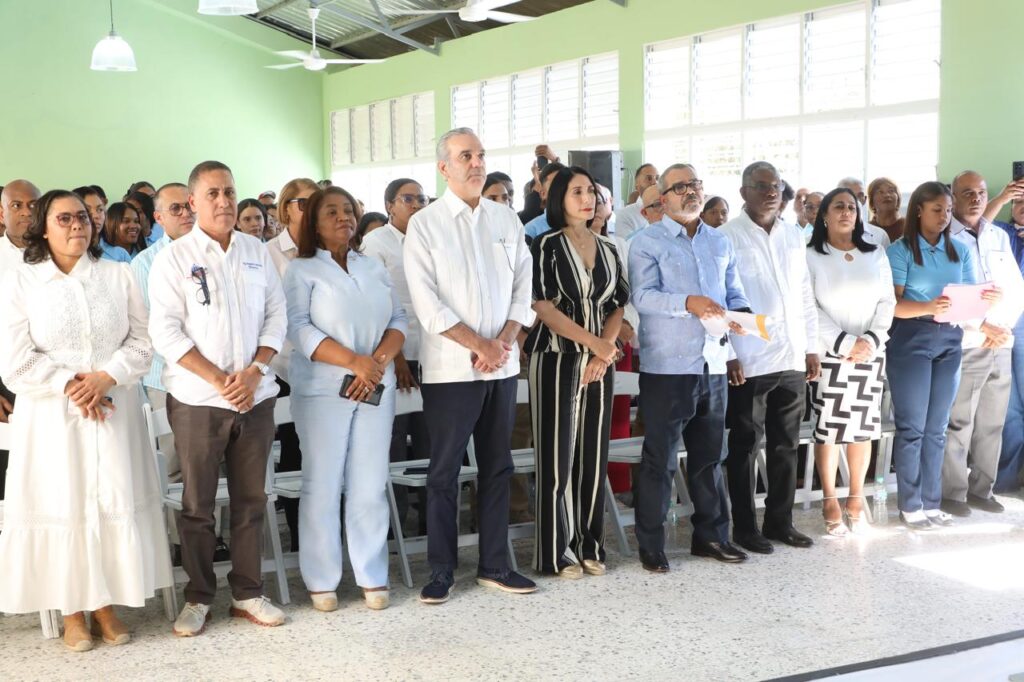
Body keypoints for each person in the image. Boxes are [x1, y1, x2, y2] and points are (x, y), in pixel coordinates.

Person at [0, 189, 171, 651]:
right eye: (64, 218)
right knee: (66, 503)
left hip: (111, 408)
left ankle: (105, 606)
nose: (77, 225)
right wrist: (72, 385)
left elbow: (143, 342)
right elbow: (14, 360)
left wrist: (106, 377)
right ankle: (72, 610)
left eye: (82, 217)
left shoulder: (117, 275)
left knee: (107, 500)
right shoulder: (21, 281)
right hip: (52, 416)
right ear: (43, 228)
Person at [148, 160, 288, 634]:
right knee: (197, 506)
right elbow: (165, 331)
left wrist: (254, 371)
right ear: (193, 202)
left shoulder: (256, 251)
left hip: (255, 395)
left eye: (229, 191)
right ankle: (199, 597)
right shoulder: (174, 258)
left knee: (251, 500)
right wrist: (219, 378)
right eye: (212, 194)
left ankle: (248, 593)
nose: (224, 201)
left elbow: (277, 315)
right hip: (198, 401)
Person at [404, 127, 537, 603]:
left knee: (498, 466)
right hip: (452, 371)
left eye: (480, 154)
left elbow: (524, 287)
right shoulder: (426, 224)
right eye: (466, 156)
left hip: (501, 365)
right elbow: (427, 304)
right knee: (444, 472)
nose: (477, 163)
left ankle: (495, 565)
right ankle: (441, 570)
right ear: (444, 167)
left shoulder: (505, 219)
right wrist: (479, 344)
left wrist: (503, 342)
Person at [284, 186, 407, 612]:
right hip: (323, 389)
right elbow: (299, 328)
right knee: (322, 483)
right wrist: (354, 362)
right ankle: (322, 579)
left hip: (375, 385)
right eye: (332, 212)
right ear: (314, 223)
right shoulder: (301, 269)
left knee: (369, 482)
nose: (344, 218)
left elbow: (398, 318)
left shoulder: (370, 265)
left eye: (348, 210)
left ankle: (372, 573)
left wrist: (375, 364)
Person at [630, 163, 751, 571]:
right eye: (680, 187)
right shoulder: (647, 241)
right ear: (663, 198)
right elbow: (642, 297)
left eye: (695, 184)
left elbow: (733, 292)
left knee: (710, 456)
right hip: (668, 366)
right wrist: (688, 303)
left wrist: (741, 315)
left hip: (712, 362)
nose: (691, 192)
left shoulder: (719, 241)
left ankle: (712, 537)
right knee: (660, 459)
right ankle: (652, 544)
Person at [526, 167, 629, 578]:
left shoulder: (609, 248)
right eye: (577, 192)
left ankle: (590, 545)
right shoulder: (545, 245)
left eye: (592, 192)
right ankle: (557, 553)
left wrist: (604, 351)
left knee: (593, 456)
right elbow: (542, 306)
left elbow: (618, 304)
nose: (588, 200)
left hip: (601, 361)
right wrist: (594, 344)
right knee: (558, 458)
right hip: (557, 357)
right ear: (559, 199)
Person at [720, 161, 819, 553]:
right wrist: (729, 353)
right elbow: (720, 300)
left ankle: (780, 522)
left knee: (786, 446)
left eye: (775, 185)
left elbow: (805, 294)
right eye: (761, 186)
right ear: (744, 192)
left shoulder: (793, 235)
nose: (770, 192)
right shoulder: (726, 237)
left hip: (791, 355)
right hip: (750, 359)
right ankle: (745, 528)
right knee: (745, 446)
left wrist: (811, 347)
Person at [885, 181, 984, 530]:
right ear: (919, 210)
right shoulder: (899, 251)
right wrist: (929, 306)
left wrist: (986, 300)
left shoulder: (961, 250)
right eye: (937, 209)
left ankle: (931, 502)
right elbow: (893, 305)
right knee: (912, 427)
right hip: (910, 336)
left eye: (948, 210)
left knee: (937, 428)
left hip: (950, 338)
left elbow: (971, 297)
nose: (944, 216)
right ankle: (910, 505)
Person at [805, 188, 896, 535]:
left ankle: (856, 499)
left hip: (869, 354)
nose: (846, 212)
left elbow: (887, 302)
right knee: (829, 431)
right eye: (838, 207)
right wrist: (844, 343)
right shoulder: (811, 255)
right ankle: (830, 499)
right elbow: (809, 306)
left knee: (863, 429)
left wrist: (870, 340)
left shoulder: (874, 253)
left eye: (851, 208)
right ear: (824, 215)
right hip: (831, 355)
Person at [940, 171, 1022, 517]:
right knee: (960, 422)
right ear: (953, 197)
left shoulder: (998, 235)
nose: (976, 198)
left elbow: (1015, 288)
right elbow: (948, 294)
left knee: (993, 421)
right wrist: (982, 325)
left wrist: (1002, 327)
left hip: (1001, 340)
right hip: (967, 341)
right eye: (968, 192)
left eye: (981, 192)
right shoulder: (944, 237)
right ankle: (953, 494)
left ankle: (982, 490)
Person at [363, 178, 432, 529]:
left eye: (422, 198)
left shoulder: (433, 237)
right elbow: (376, 306)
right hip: (395, 357)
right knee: (393, 441)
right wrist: (398, 358)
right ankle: (393, 524)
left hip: (433, 353)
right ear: (390, 205)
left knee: (429, 440)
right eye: (408, 199)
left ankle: (429, 521)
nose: (417, 204)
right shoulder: (376, 243)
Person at [265, 177, 319, 551]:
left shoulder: (326, 248)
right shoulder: (268, 253)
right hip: (284, 364)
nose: (311, 209)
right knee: (295, 451)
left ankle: (328, 533)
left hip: (327, 365)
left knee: (326, 451)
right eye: (303, 203)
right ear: (286, 208)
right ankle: (301, 537)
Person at [0, 179, 40, 500]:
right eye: (17, 205)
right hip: (6, 386)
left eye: (33, 205)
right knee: (9, 479)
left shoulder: (58, 256)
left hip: (55, 381)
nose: (26, 212)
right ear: (2, 213)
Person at [989, 180, 1024, 492]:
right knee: (1008, 407)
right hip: (1000, 324)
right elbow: (976, 224)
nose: (1022, 207)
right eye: (1018, 201)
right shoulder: (1000, 232)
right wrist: (1001, 198)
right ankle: (1007, 478)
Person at [614, 163, 660, 240]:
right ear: (637, 186)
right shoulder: (625, 215)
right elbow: (626, 245)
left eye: (657, 178)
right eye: (649, 178)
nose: (655, 182)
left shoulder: (669, 210)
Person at [523, 162, 567, 240]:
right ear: (543, 193)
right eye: (555, 185)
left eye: (566, 184)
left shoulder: (585, 222)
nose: (562, 189)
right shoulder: (531, 230)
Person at [868, 177, 905, 243]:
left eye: (891, 191)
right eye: (880, 192)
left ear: (898, 199)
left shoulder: (910, 226)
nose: (887, 195)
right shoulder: (866, 230)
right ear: (872, 201)